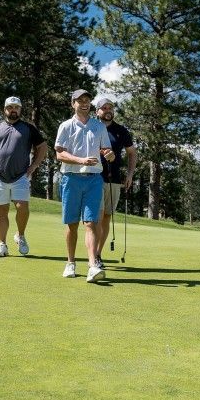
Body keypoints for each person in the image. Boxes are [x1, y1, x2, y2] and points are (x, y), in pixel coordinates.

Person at [54, 89, 116, 283]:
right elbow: (59, 154)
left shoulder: (99, 127)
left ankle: (92, 265)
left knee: (91, 222)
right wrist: (80, 160)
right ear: (73, 103)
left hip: (94, 179)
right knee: (72, 224)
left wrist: (109, 155)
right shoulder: (65, 126)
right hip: (71, 178)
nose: (84, 103)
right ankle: (70, 262)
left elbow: (106, 148)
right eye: (80, 101)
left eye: (87, 100)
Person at [0, 96, 48, 257]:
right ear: (5, 109)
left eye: (16, 107)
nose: (13, 110)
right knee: (2, 212)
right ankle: (2, 245)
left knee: (23, 208)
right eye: (10, 107)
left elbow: (42, 147)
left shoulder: (28, 128)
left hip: (21, 176)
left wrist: (34, 166)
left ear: (20, 109)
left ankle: (20, 236)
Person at [93, 96, 137, 268]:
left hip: (114, 180)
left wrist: (130, 174)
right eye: (104, 108)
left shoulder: (121, 130)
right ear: (97, 111)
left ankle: (97, 254)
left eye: (110, 108)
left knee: (106, 217)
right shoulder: (92, 127)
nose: (108, 111)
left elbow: (132, 153)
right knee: (96, 217)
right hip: (94, 178)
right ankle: (93, 256)